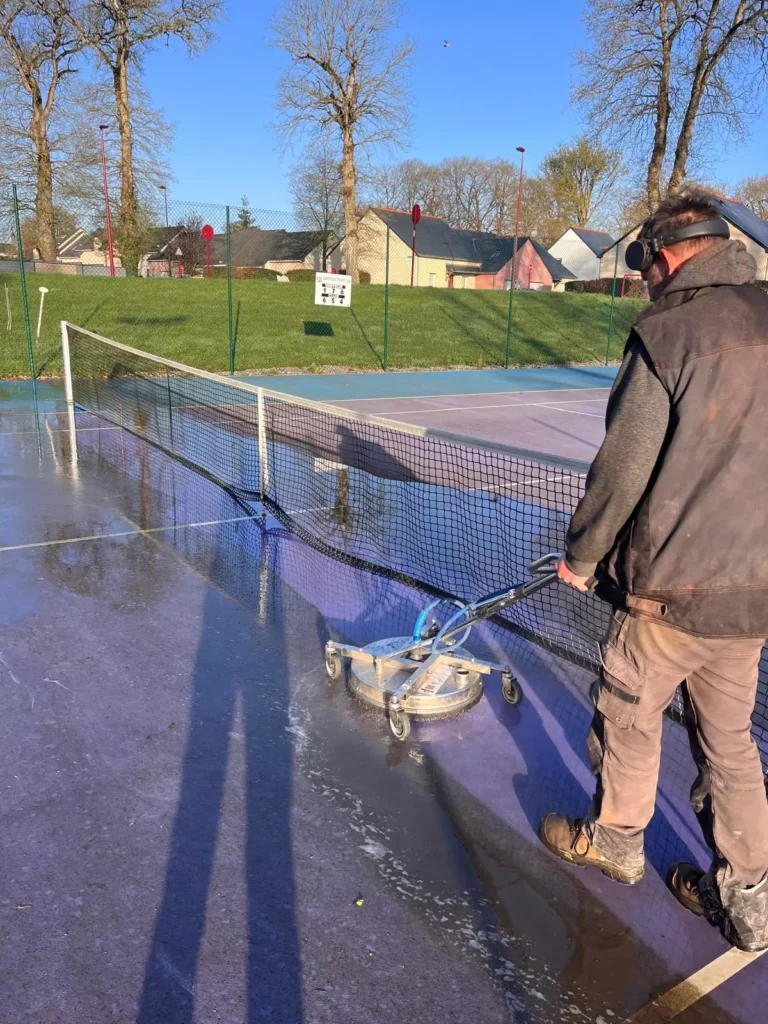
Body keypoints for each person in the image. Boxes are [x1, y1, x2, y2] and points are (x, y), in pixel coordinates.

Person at [538, 191, 768, 953]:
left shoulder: (667, 332)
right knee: (730, 744)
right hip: (754, 596)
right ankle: (750, 901)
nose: (644, 285)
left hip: (668, 593)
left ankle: (618, 842)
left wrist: (581, 557)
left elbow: (622, 469)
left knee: (629, 716)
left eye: (643, 270)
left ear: (663, 257)